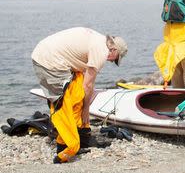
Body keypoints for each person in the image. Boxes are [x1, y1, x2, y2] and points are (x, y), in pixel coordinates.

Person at [31, 27, 127, 163]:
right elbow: (88, 85)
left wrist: (83, 107)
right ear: (114, 50)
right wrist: (86, 110)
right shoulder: (101, 51)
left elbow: (83, 82)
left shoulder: (99, 40)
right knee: (63, 103)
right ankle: (66, 148)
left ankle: (80, 136)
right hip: (48, 60)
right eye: (115, 59)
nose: (111, 61)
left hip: (52, 56)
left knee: (76, 91)